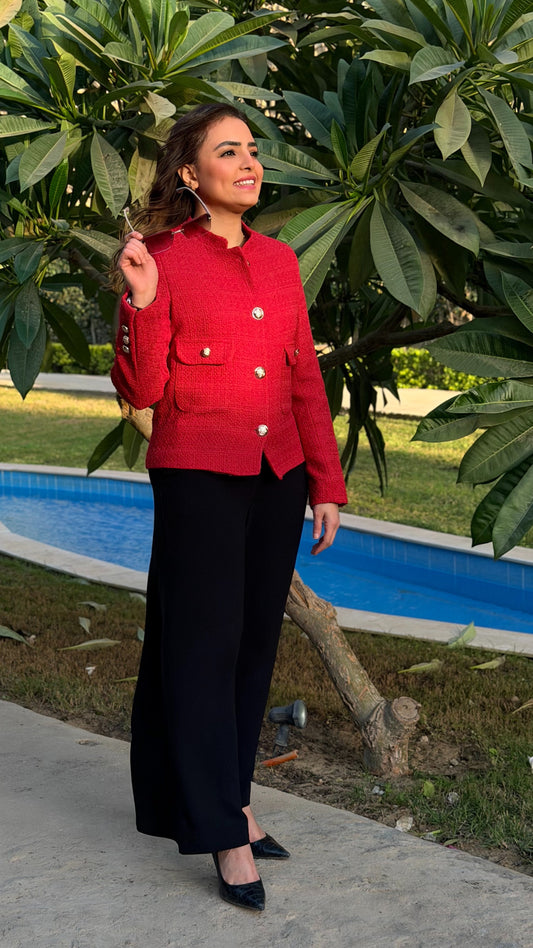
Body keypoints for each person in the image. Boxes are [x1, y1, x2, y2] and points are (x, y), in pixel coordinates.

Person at [111, 102, 348, 913]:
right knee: (201, 652)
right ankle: (220, 829)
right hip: (199, 475)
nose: (249, 162)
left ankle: (235, 798)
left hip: (276, 471)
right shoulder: (162, 259)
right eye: (227, 151)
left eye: (252, 149)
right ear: (189, 174)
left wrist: (325, 479)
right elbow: (143, 391)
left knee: (250, 649)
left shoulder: (280, 262)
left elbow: (301, 379)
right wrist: (141, 304)